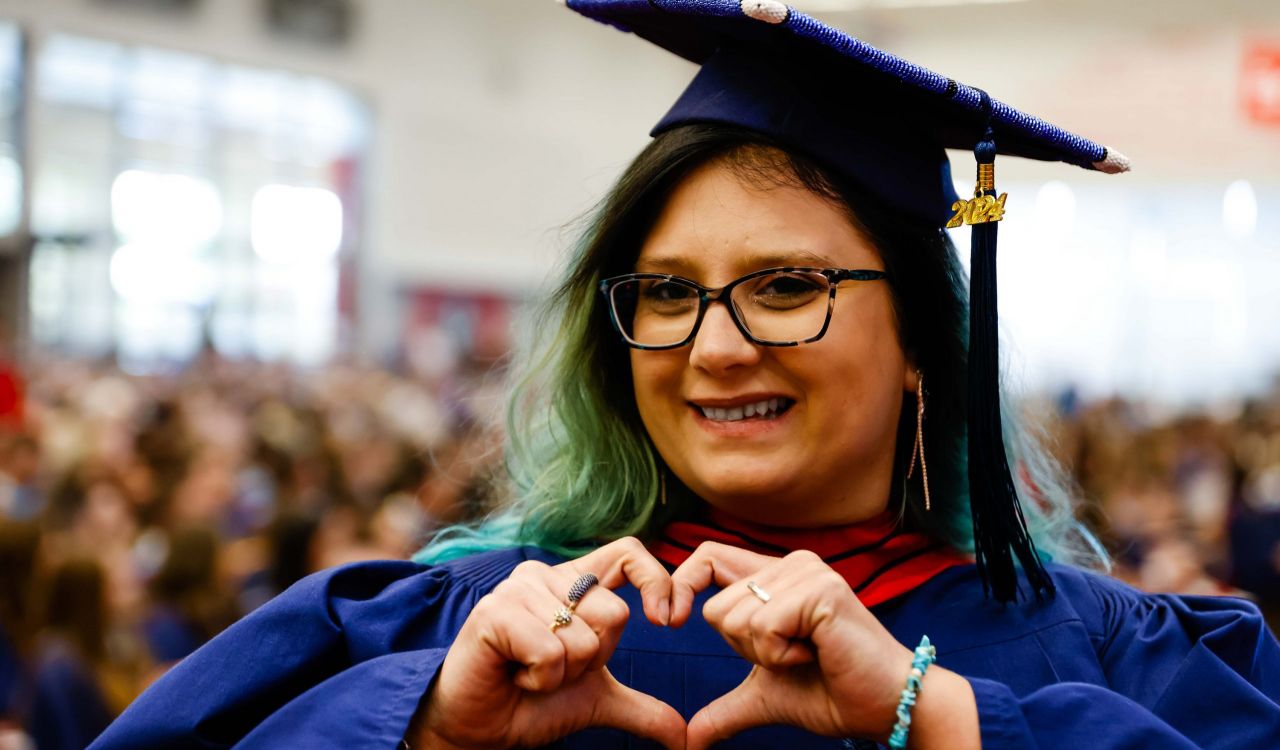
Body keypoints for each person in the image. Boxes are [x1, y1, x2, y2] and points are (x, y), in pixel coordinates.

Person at [91, 1, 1280, 748]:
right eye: (663, 293)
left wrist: (947, 722)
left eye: (784, 287)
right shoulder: (451, 635)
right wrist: (432, 734)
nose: (712, 348)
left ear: (923, 342)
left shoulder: (1116, 665)